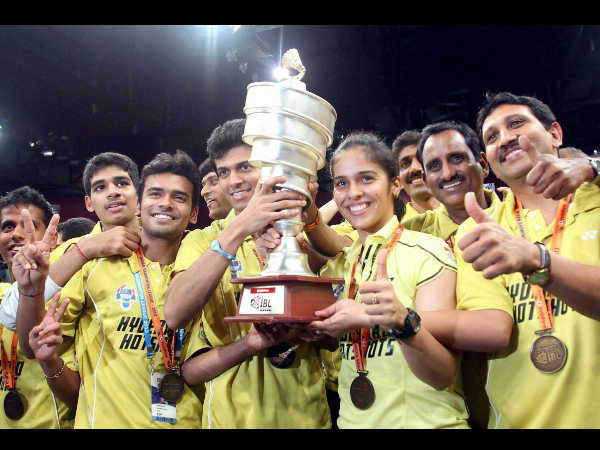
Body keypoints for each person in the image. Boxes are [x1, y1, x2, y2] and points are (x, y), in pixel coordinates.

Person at [16, 150, 206, 428]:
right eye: (155, 194)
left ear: (194, 213)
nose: (165, 203)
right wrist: (30, 293)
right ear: (139, 204)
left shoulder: (204, 264)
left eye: (179, 197)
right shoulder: (90, 262)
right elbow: (31, 344)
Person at [165, 118, 333, 428]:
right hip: (232, 419)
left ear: (269, 166)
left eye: (245, 167)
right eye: (224, 172)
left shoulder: (300, 237)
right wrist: (241, 226)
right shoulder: (202, 240)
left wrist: (309, 329)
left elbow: (334, 339)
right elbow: (174, 314)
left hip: (306, 415)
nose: (234, 181)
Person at [455, 91, 600, 428]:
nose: (505, 138)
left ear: (555, 134)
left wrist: (537, 260)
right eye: (492, 136)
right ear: (488, 161)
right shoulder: (479, 230)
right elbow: (493, 329)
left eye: (516, 124)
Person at [309, 132, 468, 429]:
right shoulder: (341, 264)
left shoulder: (428, 252)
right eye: (342, 183)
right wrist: (320, 334)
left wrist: (400, 321)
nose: (353, 193)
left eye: (366, 179)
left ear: (395, 185)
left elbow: (442, 375)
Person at [0, 152, 142, 334]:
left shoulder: (165, 243)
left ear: (138, 196)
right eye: (100, 187)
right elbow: (9, 315)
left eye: (122, 183)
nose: (113, 192)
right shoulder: (72, 251)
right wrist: (85, 250)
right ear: (89, 203)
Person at [0, 186, 73, 428]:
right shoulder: (2, 297)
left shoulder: (68, 295)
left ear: (52, 238)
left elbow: (81, 394)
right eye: (8, 226)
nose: (17, 234)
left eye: (30, 225)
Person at [392, 129, 440, 219]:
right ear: (398, 183)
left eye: (421, 159)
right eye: (405, 164)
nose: (414, 168)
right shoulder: (396, 225)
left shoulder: (465, 210)